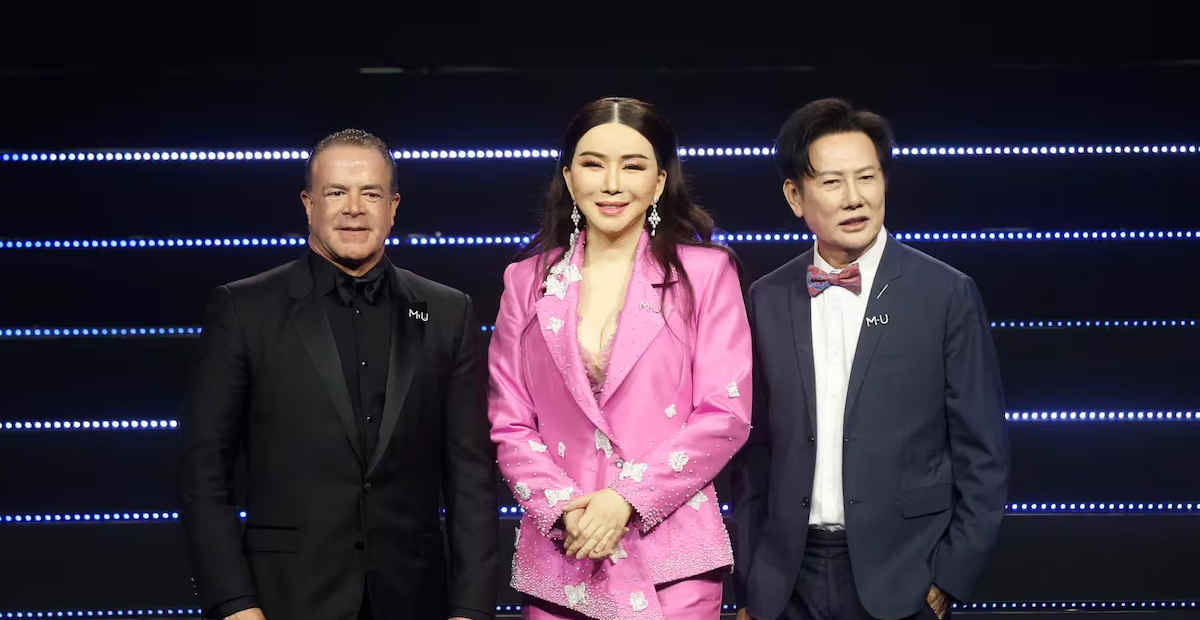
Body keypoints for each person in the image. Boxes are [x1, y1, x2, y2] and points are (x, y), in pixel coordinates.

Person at [178, 129, 498, 620]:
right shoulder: (243, 309)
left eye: (370, 193)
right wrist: (233, 603)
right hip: (283, 600)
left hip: (414, 598)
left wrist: (471, 610)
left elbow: (470, 477)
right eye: (335, 193)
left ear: (393, 207)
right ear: (308, 204)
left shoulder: (448, 313)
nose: (354, 208)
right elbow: (204, 471)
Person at [731, 99, 1010, 620]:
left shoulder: (944, 293)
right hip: (786, 581)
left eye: (867, 177)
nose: (855, 197)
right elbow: (755, 452)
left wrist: (948, 577)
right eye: (832, 182)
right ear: (795, 196)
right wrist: (751, 578)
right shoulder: (766, 298)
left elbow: (983, 453)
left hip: (904, 575)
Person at [487, 97, 752, 620]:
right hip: (566, 553)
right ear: (569, 178)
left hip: (670, 557)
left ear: (659, 182)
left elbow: (725, 413)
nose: (611, 184)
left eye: (632, 166)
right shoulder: (526, 282)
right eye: (593, 164)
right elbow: (509, 420)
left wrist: (625, 499)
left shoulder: (706, 274)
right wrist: (566, 510)